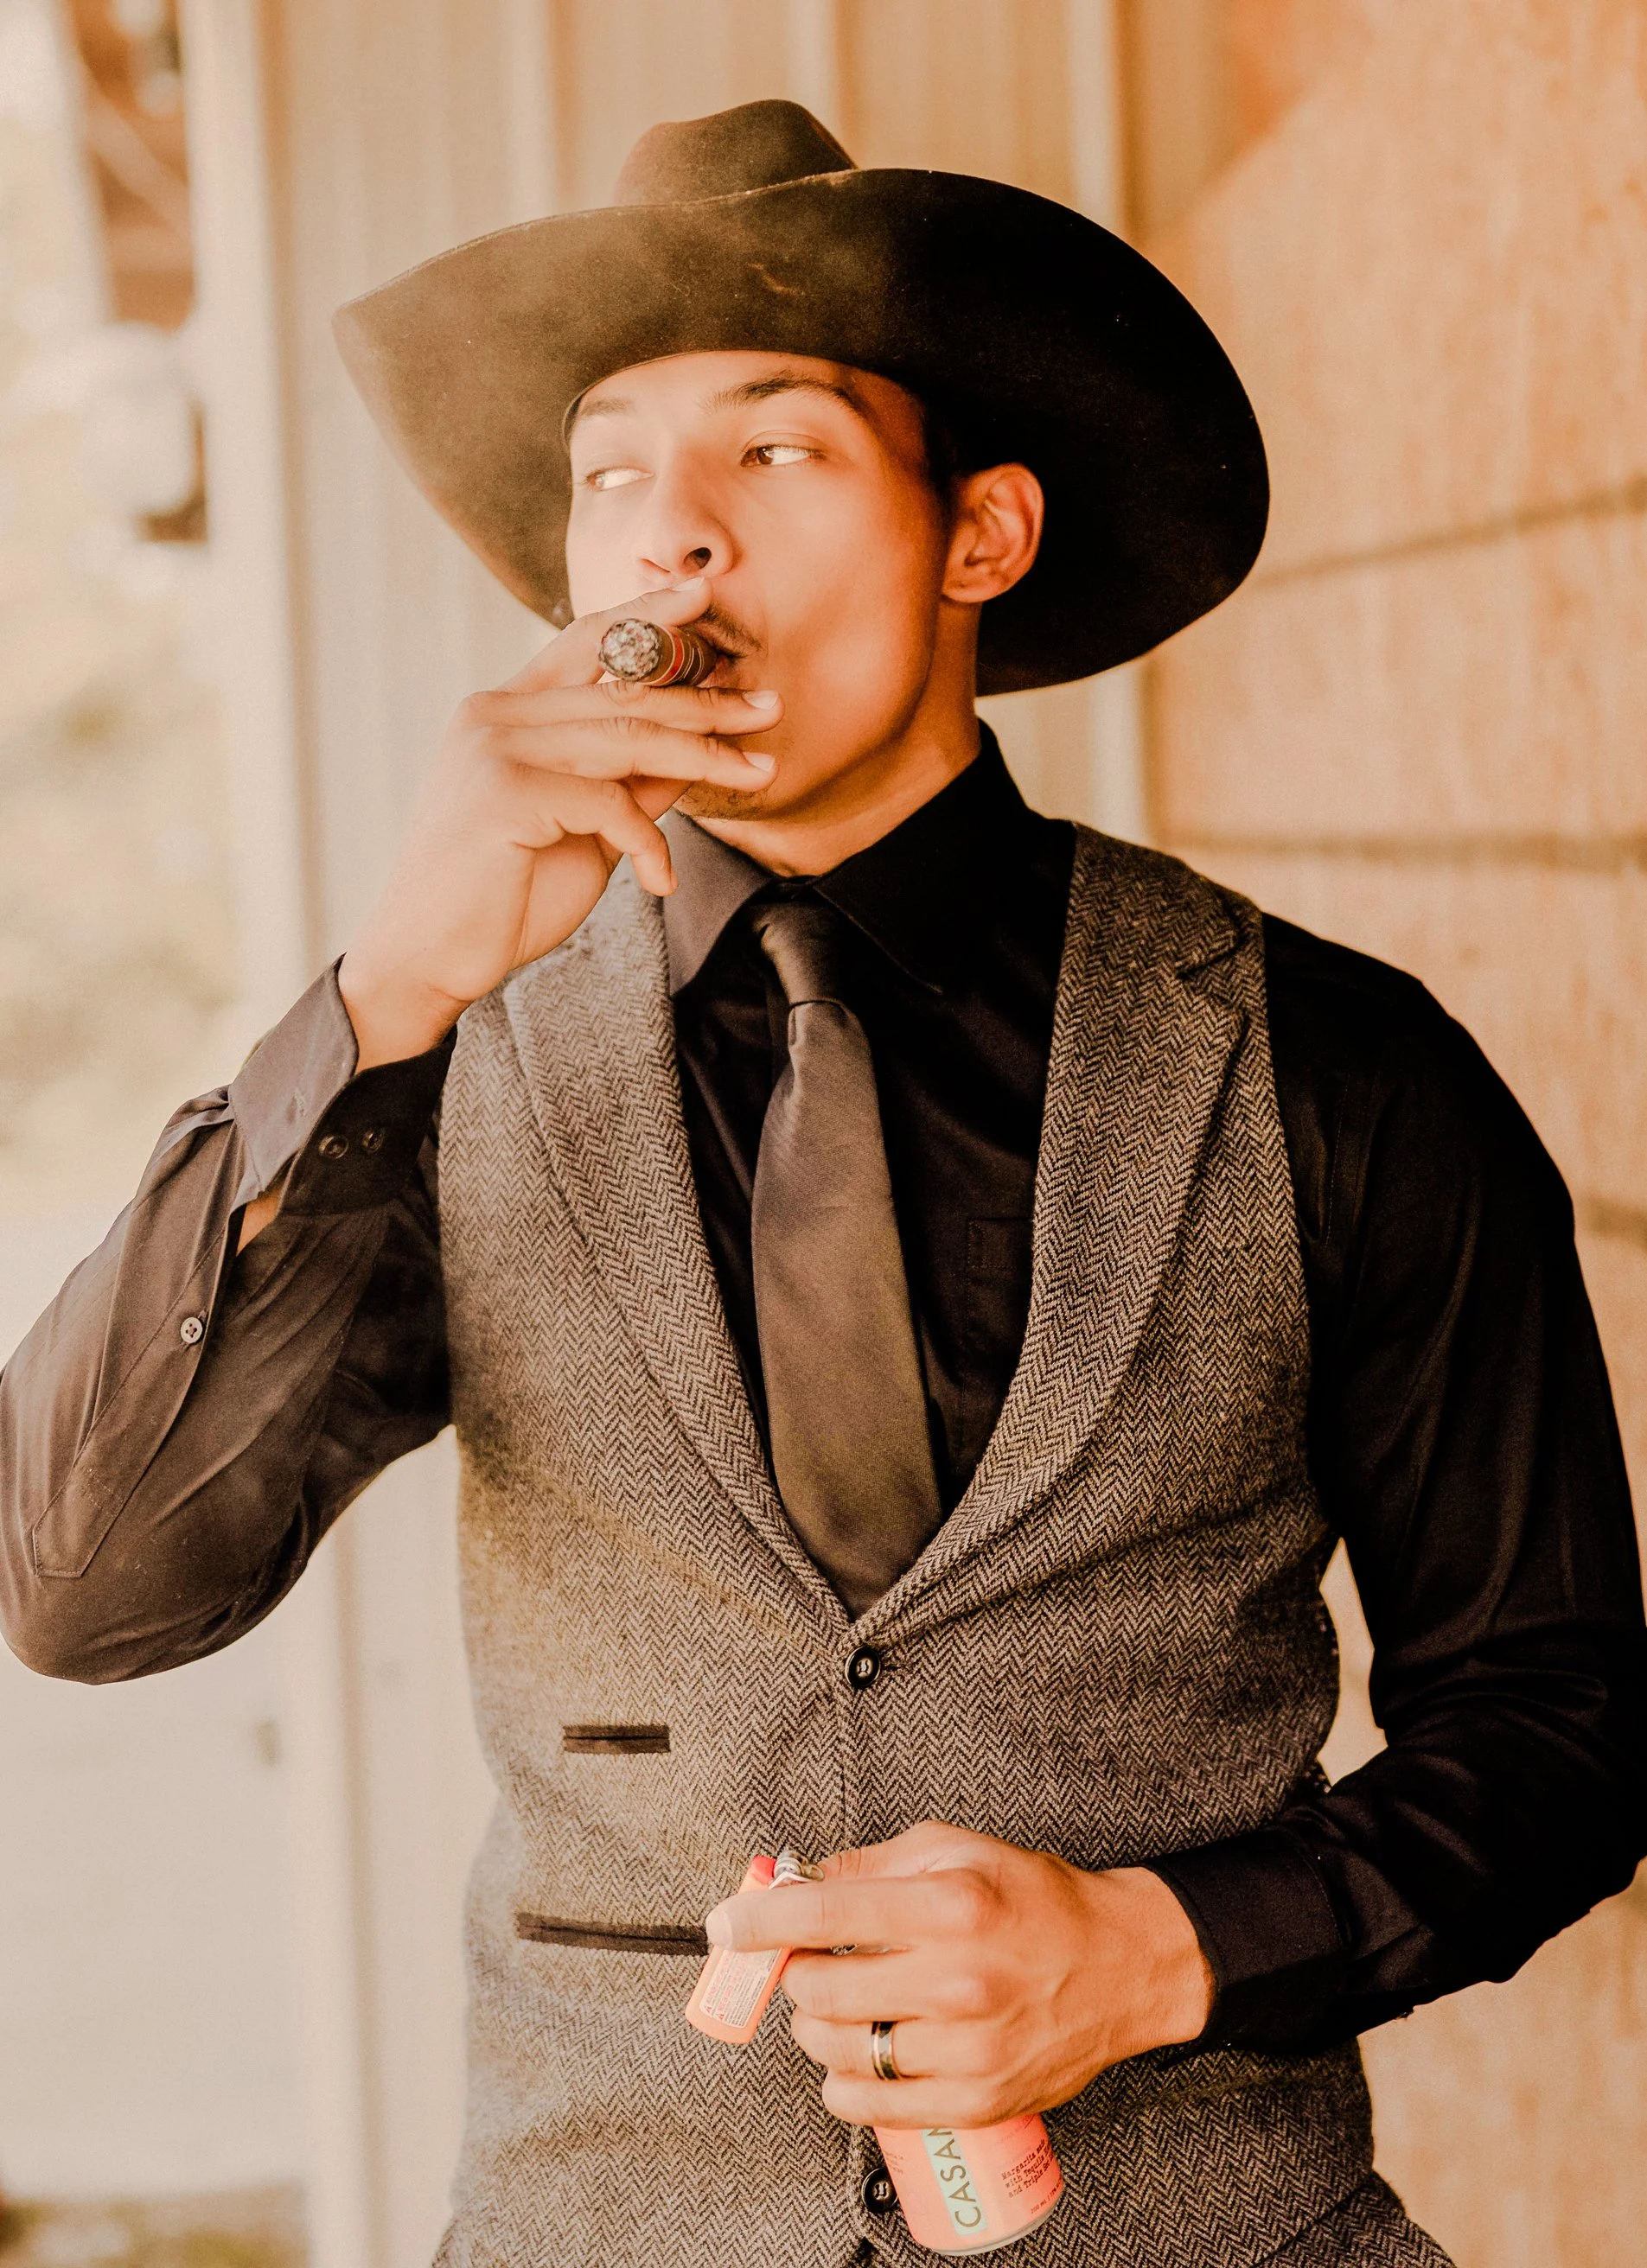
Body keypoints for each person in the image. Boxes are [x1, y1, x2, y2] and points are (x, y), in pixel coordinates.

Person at [2, 99, 1643, 2268]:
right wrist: (377, 993)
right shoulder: (424, 1065)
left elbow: (1560, 1719)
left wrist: (1158, 1953)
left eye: (769, 453)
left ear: (978, 534)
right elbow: (86, 1585)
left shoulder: (1338, 1062)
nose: (668, 542)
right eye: (609, 477)